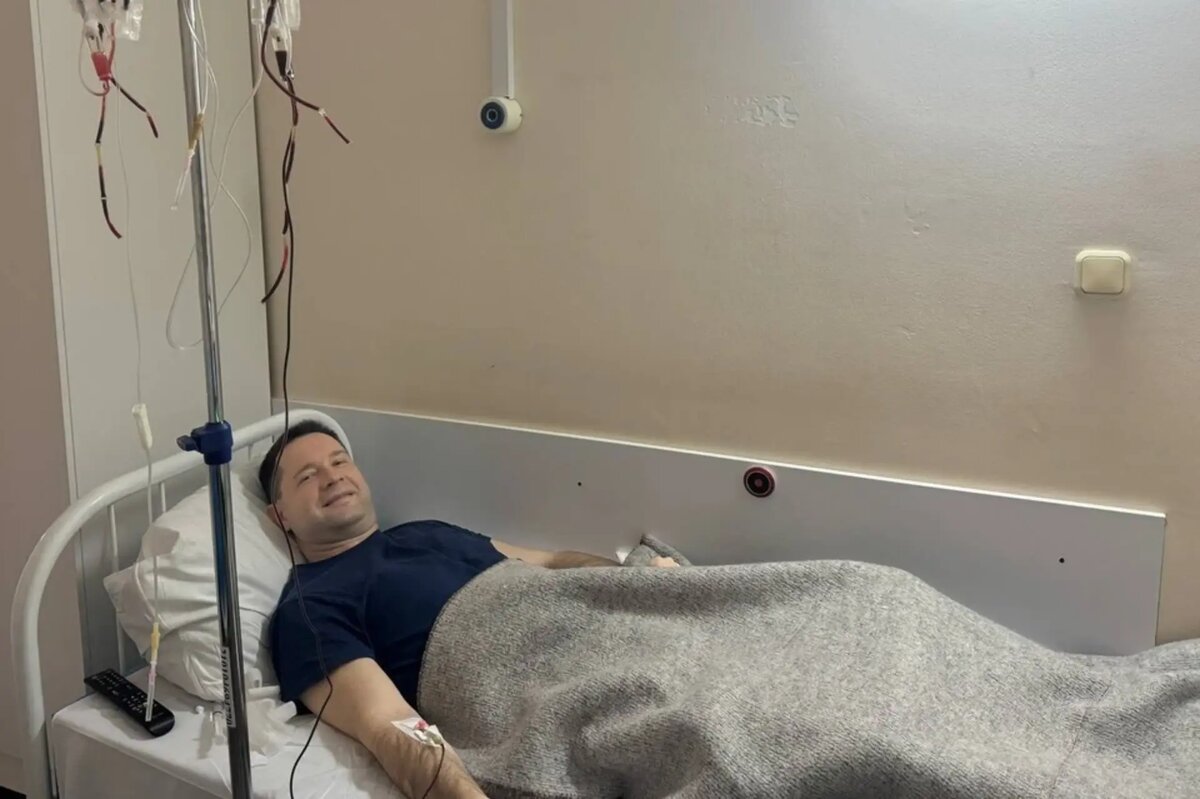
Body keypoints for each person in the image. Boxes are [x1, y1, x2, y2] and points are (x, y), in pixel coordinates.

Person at [261, 420, 678, 799]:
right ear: (281, 516)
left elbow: (551, 562)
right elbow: (392, 723)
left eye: (339, 461)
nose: (333, 476)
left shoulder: (426, 531)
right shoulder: (308, 607)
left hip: (613, 632)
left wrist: (637, 583)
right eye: (308, 476)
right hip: (553, 689)